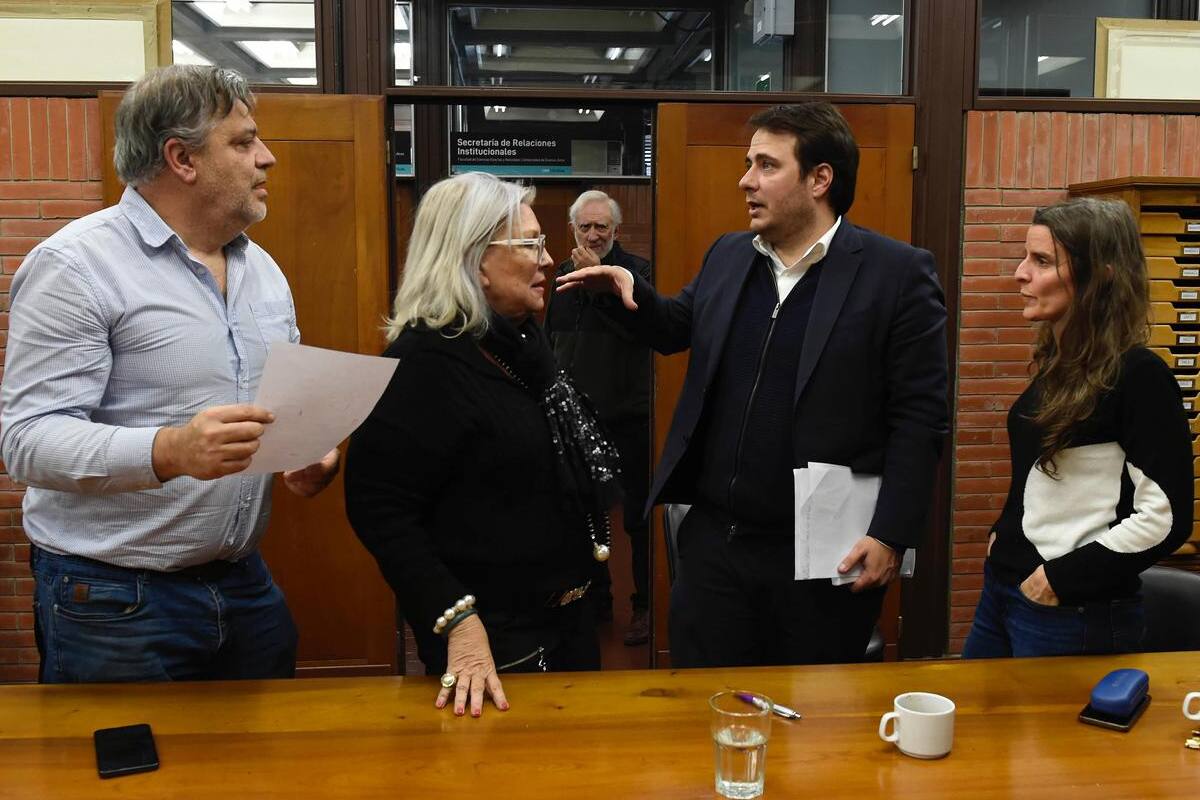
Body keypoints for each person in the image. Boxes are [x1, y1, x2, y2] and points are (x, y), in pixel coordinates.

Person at [558, 102, 948, 668]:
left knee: (810, 729)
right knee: (703, 705)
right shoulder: (729, 255)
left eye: (766, 165)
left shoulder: (896, 273)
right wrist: (625, 292)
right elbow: (676, 328)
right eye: (748, 163)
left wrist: (891, 534)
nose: (746, 180)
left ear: (820, 179)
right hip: (717, 543)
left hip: (822, 553)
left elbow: (920, 417)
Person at [0, 65, 340, 683]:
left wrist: (305, 452)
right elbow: (27, 442)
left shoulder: (262, 268)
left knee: (261, 775)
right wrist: (170, 449)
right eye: (242, 142)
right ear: (181, 158)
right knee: (129, 781)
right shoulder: (76, 267)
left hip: (243, 586)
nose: (266, 159)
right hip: (113, 600)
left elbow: (280, 407)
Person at [344, 172, 621, 717]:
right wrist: (457, 620)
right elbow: (380, 509)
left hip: (566, 622)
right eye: (530, 244)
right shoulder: (424, 364)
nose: (547, 260)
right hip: (495, 644)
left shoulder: (522, 345)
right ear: (471, 256)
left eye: (543, 243)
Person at [962, 198, 1192, 659]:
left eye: (1042, 261)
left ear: (1100, 275)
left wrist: (1061, 578)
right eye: (1026, 257)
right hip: (1005, 590)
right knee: (980, 725)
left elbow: (1165, 518)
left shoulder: (1137, 375)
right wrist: (1002, 533)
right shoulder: (1063, 362)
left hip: (1069, 610)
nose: (1020, 274)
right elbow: (1041, 472)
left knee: (1049, 735)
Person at [544, 190, 653, 645]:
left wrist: (601, 285)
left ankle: (645, 605)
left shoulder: (636, 272)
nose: (593, 234)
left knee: (637, 518)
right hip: (577, 421)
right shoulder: (558, 278)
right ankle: (597, 599)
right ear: (573, 230)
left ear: (616, 230)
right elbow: (550, 342)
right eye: (585, 227)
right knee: (586, 515)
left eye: (601, 227)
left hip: (629, 415)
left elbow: (642, 327)